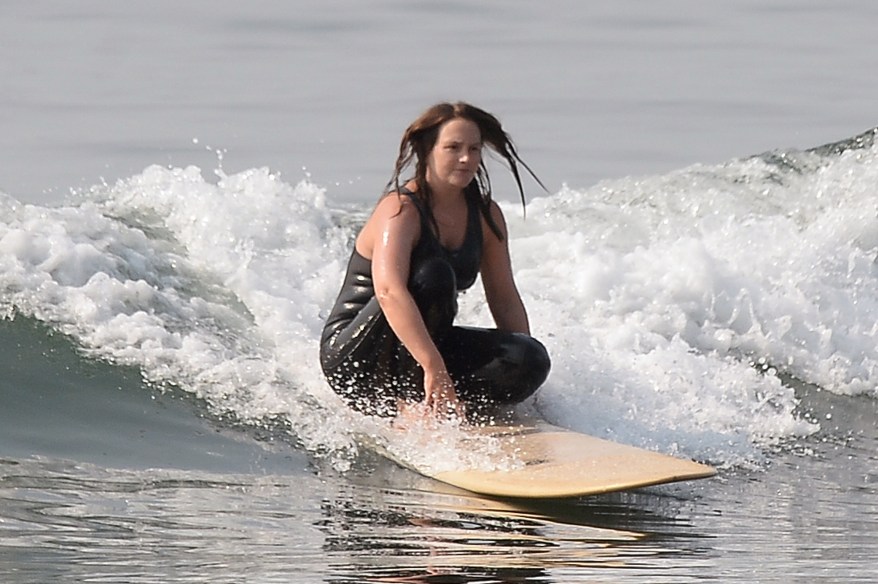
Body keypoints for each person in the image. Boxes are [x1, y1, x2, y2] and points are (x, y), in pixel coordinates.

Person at [319, 102, 550, 420]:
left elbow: (504, 296)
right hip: (357, 357)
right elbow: (389, 293)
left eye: (474, 148)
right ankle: (412, 405)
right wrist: (433, 366)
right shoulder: (401, 209)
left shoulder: (486, 215)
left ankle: (445, 400)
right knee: (434, 275)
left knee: (529, 357)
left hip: (424, 350)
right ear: (427, 150)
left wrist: (530, 391)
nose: (467, 158)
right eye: (453, 148)